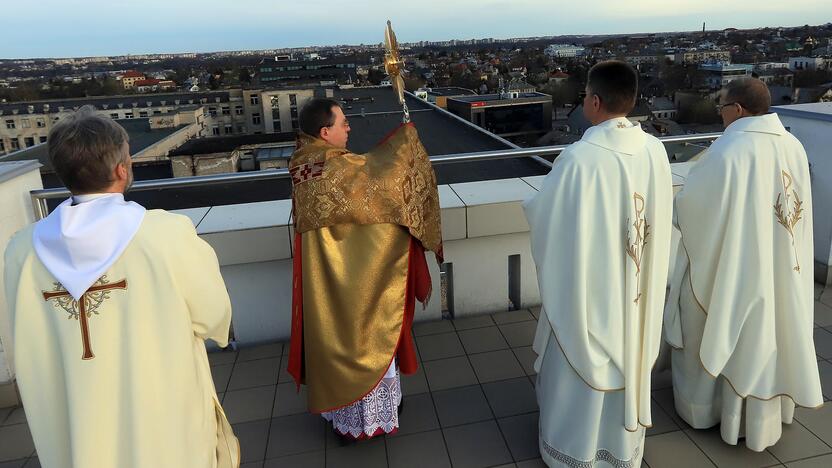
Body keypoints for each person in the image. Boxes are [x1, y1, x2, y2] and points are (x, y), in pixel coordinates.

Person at [3, 106, 239, 468]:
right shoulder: (165, 234)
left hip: (73, 415)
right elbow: (213, 316)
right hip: (158, 410)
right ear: (121, 168)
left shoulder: (21, 249)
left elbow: (18, 339)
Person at [524, 60, 673, 467]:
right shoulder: (656, 150)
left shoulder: (579, 157)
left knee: (579, 351)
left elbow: (548, 216)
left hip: (593, 288)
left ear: (593, 101)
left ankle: (575, 449)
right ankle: (620, 448)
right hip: (637, 284)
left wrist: (531, 206)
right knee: (632, 347)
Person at [665, 78, 822, 451]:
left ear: (736, 109)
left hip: (738, 269)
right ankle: (771, 412)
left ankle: (709, 411)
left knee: (716, 320)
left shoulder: (729, 150)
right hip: (784, 263)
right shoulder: (793, 144)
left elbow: (692, 208)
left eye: (721, 107)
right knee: (777, 328)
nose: (720, 115)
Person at [287, 98, 442, 441]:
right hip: (356, 281)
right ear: (325, 132)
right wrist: (407, 138)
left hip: (327, 278)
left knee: (333, 337)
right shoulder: (333, 167)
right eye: (343, 123)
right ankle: (367, 420)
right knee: (368, 333)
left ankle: (343, 415)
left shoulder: (302, 162)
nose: (349, 128)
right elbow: (382, 178)